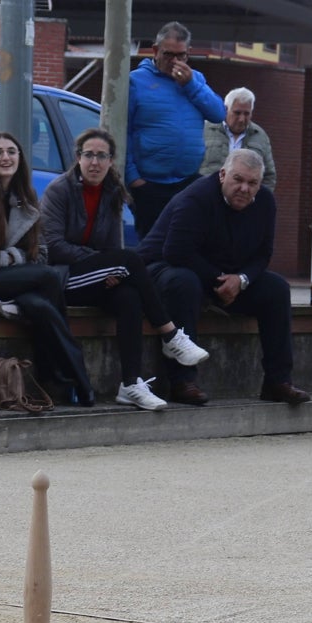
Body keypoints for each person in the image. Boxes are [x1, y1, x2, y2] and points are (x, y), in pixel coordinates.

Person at [41, 127, 211, 411]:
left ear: (111, 161)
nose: (95, 162)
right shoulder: (59, 190)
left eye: (101, 156)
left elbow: (112, 249)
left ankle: (130, 384)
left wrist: (109, 267)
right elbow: (53, 246)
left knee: (129, 296)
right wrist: (101, 260)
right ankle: (170, 334)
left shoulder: (112, 193)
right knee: (130, 260)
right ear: (78, 158)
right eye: (89, 155)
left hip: (94, 276)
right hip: (60, 278)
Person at [138, 148, 309, 406]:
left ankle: (278, 381)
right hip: (164, 267)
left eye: (252, 183)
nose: (244, 188)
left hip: (223, 276)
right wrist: (221, 280)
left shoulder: (265, 203)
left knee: (276, 289)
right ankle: (182, 381)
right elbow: (176, 251)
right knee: (184, 283)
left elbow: (263, 255)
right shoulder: (197, 197)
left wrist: (240, 280)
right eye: (238, 180)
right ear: (222, 175)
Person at [0, 131, 95, 406]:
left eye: (11, 151)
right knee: (49, 277)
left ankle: (53, 374)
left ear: (20, 158)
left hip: (12, 281)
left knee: (41, 307)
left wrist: (15, 262)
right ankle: (79, 378)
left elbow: (42, 252)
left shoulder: (25, 195)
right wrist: (8, 259)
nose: (5, 157)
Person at [125, 21, 225, 239]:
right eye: (169, 55)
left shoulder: (195, 80)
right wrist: (133, 179)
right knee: (152, 245)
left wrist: (190, 85)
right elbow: (124, 132)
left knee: (187, 240)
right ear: (155, 50)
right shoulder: (135, 82)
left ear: (189, 53)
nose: (175, 62)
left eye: (181, 56)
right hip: (149, 184)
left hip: (187, 181)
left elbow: (218, 113)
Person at [198, 87, 276, 191]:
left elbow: (269, 176)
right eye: (237, 113)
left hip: (244, 199)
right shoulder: (205, 130)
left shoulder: (260, 136)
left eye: (246, 114)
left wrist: (259, 201)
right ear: (226, 109)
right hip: (207, 197)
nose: (242, 119)